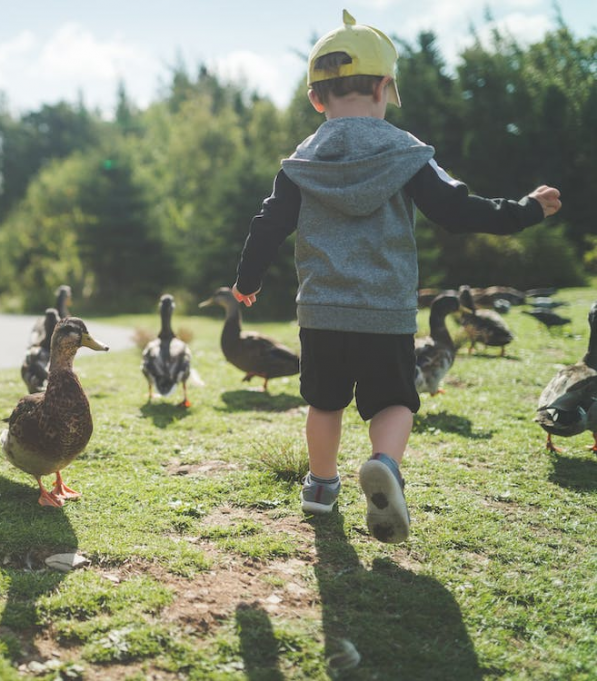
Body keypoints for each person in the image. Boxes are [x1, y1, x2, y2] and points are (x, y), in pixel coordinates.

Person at [230, 10, 561, 543]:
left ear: (317, 98)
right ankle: (384, 462)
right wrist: (524, 209)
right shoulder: (408, 154)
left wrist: (247, 280)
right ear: (385, 88)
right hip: (385, 311)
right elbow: (458, 211)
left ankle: (320, 485)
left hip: (322, 313)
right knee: (394, 401)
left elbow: (267, 224)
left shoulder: (299, 164)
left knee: (324, 401)